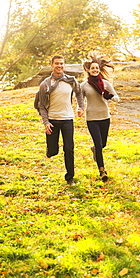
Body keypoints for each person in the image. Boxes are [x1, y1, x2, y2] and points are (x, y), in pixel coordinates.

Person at [36, 55, 83, 185]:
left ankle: (70, 177)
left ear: (64, 65)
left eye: (61, 63)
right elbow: (41, 105)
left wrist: (80, 106)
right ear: (52, 65)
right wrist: (46, 122)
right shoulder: (45, 84)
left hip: (67, 119)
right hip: (52, 120)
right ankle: (50, 150)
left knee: (69, 148)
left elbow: (79, 92)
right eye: (57, 63)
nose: (59, 66)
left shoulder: (70, 80)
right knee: (53, 150)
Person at [81, 51, 119, 182]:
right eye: (92, 68)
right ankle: (102, 171)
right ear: (88, 70)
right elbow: (80, 99)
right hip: (92, 119)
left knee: (102, 144)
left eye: (97, 68)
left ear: (99, 69)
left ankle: (95, 150)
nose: (95, 70)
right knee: (98, 143)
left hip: (105, 117)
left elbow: (117, 98)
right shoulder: (84, 85)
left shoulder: (106, 84)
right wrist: (79, 108)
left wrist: (109, 96)